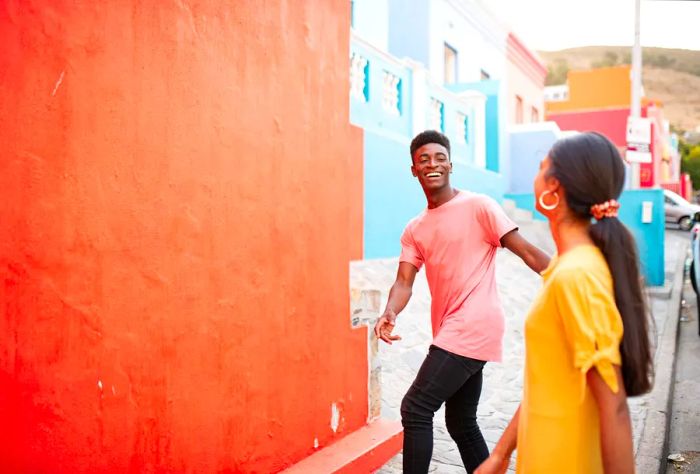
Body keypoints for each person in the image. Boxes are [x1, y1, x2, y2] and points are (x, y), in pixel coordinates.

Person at [476, 132, 654, 474]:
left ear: (553, 187)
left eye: (541, 168)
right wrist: (500, 453)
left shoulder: (578, 275)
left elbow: (614, 407)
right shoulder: (563, 269)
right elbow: (546, 382)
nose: (535, 177)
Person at [374, 130, 551, 474]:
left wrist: (569, 279)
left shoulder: (479, 207)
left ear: (451, 164)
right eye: (424, 159)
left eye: (439, 157)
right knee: (461, 422)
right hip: (454, 328)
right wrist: (390, 311)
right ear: (414, 170)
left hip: (473, 324)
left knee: (415, 407)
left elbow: (527, 251)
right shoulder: (415, 228)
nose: (432, 164)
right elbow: (404, 282)